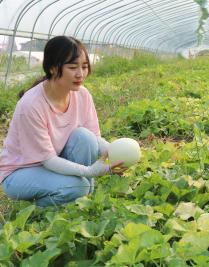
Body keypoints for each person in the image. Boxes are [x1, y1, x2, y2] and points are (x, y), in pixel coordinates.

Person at [0, 36, 127, 207]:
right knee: (80, 187)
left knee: (85, 137)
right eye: (73, 67)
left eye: (84, 66)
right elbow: (48, 160)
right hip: (20, 172)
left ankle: (77, 193)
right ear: (53, 68)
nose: (80, 74)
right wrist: (89, 171)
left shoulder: (82, 94)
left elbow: (94, 139)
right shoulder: (32, 105)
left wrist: (114, 152)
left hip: (54, 161)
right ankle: (35, 208)